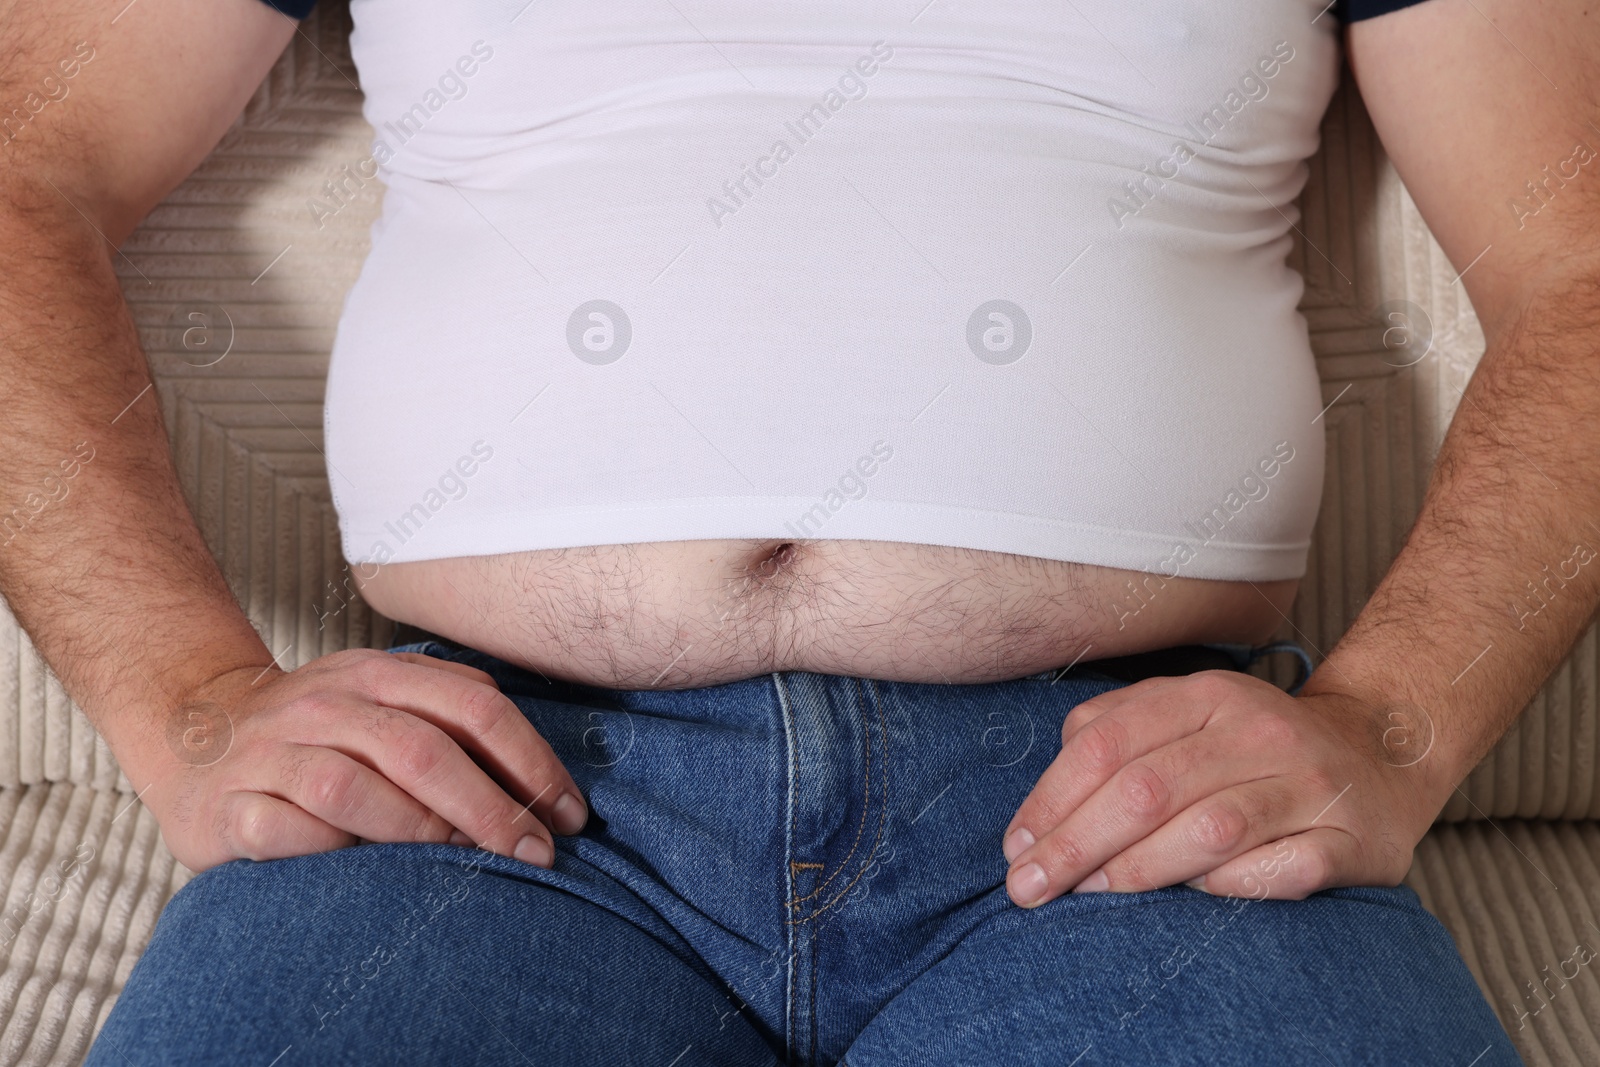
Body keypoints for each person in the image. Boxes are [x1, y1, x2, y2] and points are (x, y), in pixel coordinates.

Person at [0, 0, 1592, 1061]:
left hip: (1140, 805)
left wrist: (1387, 727)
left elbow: (1581, 268)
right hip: (477, 794)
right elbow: (20, 166)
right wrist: (191, 703)